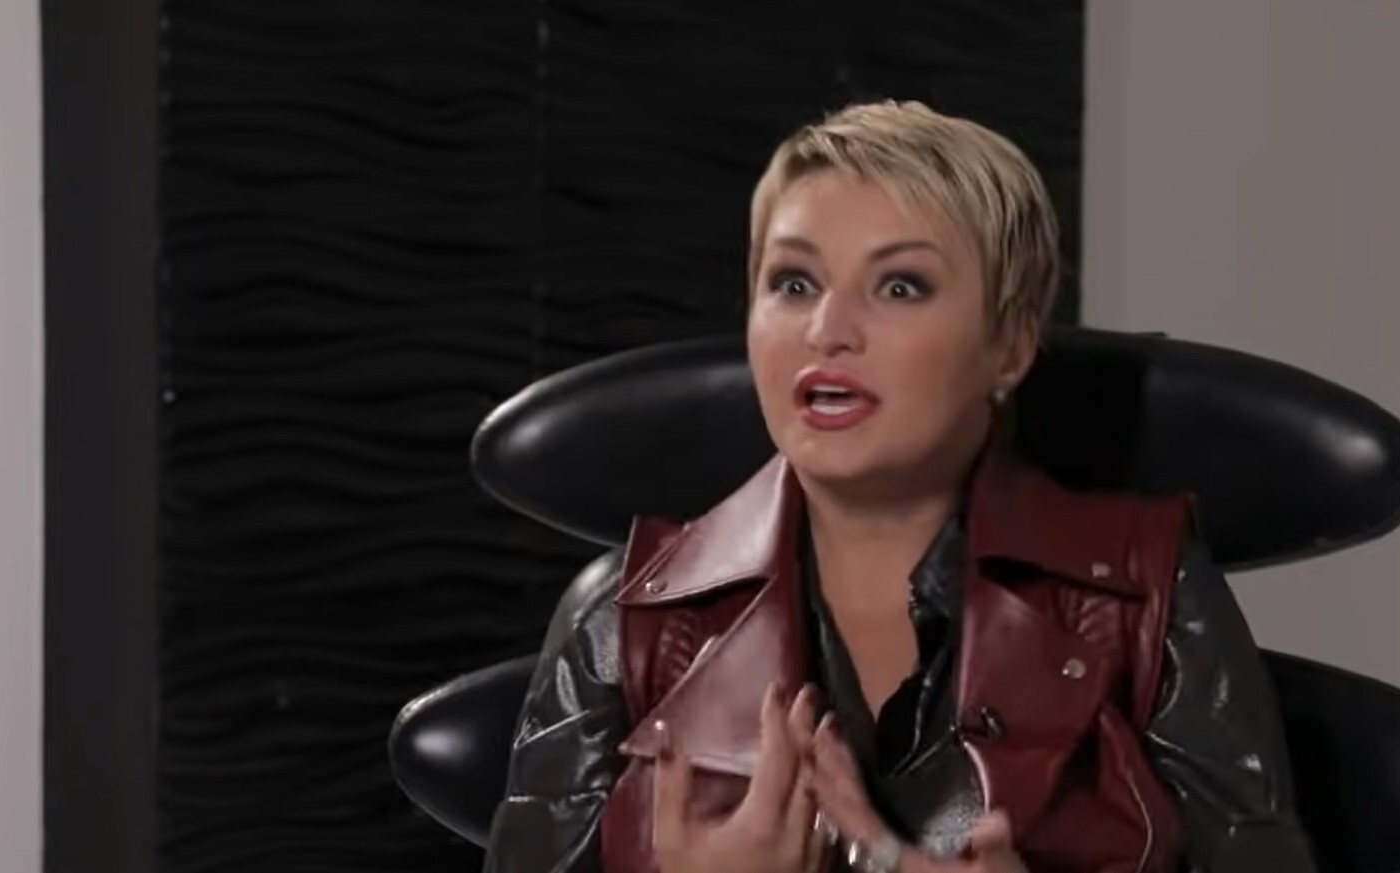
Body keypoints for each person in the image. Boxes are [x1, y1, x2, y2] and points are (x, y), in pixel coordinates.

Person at [482, 101, 1318, 873]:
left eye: (899, 286)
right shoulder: (621, 617)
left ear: (1009, 347)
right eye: (793, 283)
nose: (827, 330)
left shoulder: (1147, 591)